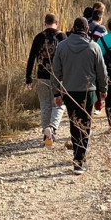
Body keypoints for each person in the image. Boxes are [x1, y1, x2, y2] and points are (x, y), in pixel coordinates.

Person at [52, 17, 108, 174]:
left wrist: (56, 92)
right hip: (88, 92)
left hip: (69, 92)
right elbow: (101, 72)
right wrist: (103, 89)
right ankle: (79, 160)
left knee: (74, 124)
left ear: (73, 28)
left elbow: (56, 72)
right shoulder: (93, 47)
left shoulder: (62, 46)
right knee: (85, 125)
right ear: (87, 30)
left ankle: (78, 158)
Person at [25, 14, 66, 148]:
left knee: (45, 105)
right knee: (59, 105)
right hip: (58, 77)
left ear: (44, 23)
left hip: (42, 75)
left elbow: (31, 58)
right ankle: (52, 128)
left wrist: (28, 79)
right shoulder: (62, 37)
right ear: (57, 22)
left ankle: (45, 134)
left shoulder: (39, 37)